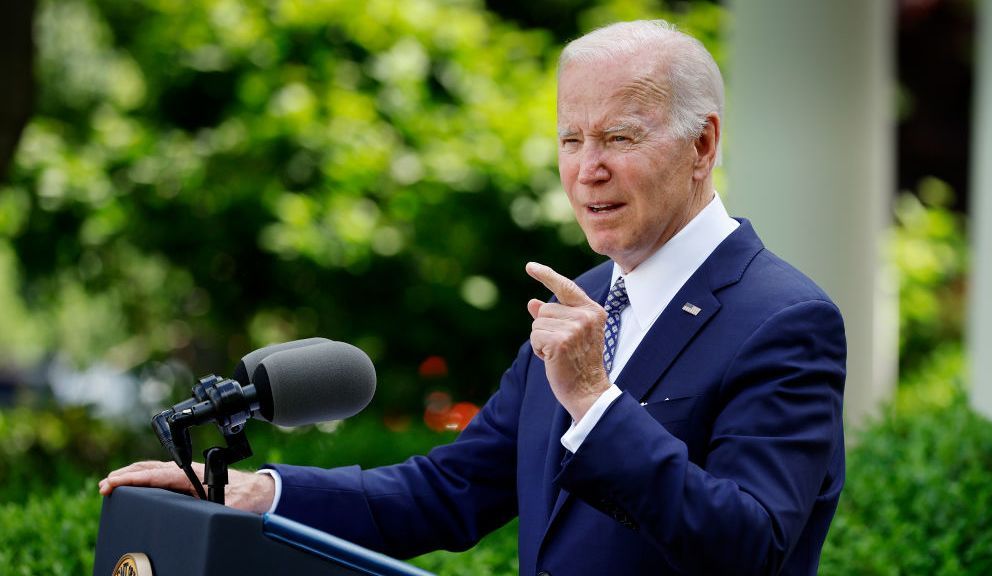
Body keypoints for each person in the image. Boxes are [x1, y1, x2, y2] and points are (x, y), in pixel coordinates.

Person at [100, 20, 846, 575]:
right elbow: (451, 490)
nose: (587, 170)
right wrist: (259, 493)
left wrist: (595, 402)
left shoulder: (782, 320)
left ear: (703, 145)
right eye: (569, 140)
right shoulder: (582, 303)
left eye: (618, 137)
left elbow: (755, 547)